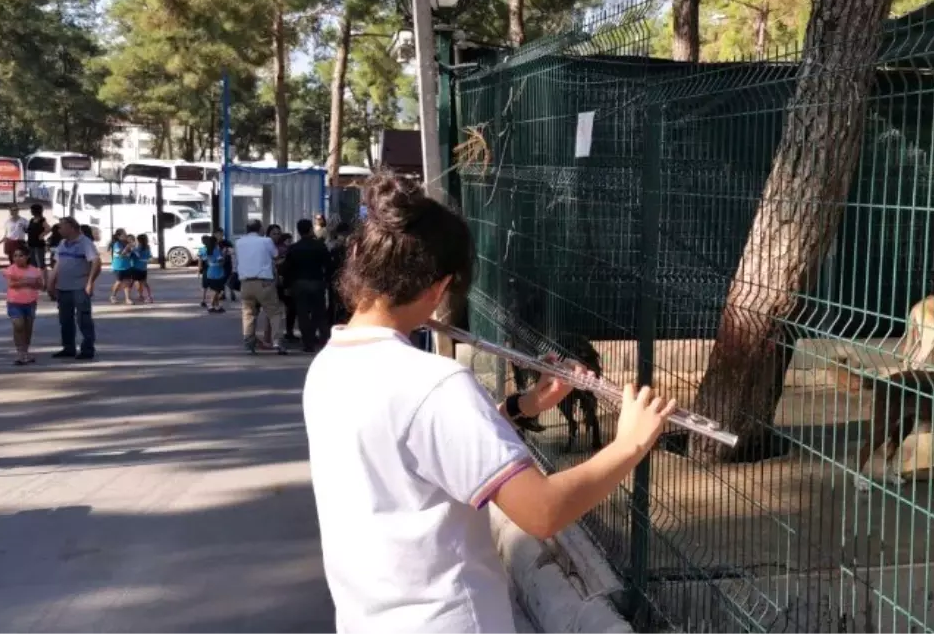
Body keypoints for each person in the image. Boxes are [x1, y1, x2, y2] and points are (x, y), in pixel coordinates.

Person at [302, 174, 677, 633]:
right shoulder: (434, 384)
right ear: (439, 288)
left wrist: (526, 406)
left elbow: (427, 453)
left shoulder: (329, 366)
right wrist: (629, 446)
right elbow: (541, 512)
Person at [48, 217, 101, 360]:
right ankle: (68, 347)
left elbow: (96, 262)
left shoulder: (85, 243)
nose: (59, 230)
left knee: (83, 318)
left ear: (71, 227)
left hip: (79, 287)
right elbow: (58, 264)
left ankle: (87, 348)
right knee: (65, 319)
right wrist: (51, 283)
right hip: (63, 287)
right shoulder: (63, 243)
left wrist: (90, 282)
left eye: (61, 227)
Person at [233, 219, 287, 355]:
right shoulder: (266, 241)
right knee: (274, 312)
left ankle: (249, 344)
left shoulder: (239, 242)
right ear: (260, 229)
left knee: (248, 314)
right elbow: (275, 255)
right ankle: (277, 342)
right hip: (264, 283)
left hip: (245, 283)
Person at [282, 219, 331, 353]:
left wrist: (287, 285)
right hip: (317, 282)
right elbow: (328, 264)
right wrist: (327, 280)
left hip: (299, 283)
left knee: (302, 314)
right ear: (310, 229)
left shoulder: (294, 248)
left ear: (298, 231)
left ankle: (308, 344)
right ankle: (322, 340)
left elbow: (287, 269)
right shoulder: (320, 246)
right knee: (319, 313)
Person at [4, 243, 44, 365]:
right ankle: (19, 352)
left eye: (21, 255)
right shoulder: (10, 270)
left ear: (27, 256)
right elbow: (11, 284)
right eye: (15, 256)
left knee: (28, 327)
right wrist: (28, 281)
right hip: (14, 302)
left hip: (30, 302)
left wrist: (23, 281)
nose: (17, 258)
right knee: (18, 325)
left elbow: (40, 285)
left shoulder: (34, 270)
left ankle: (25, 351)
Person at [197, 234, 228, 314]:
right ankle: (211, 305)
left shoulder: (207, 250)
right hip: (217, 271)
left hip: (210, 271)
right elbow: (221, 262)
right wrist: (224, 254)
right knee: (216, 290)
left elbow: (204, 260)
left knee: (214, 289)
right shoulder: (216, 250)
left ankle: (217, 306)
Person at [108, 229, 134, 305]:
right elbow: (121, 254)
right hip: (118, 266)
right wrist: (128, 247)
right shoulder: (117, 244)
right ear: (119, 236)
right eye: (124, 234)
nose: (126, 235)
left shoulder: (126, 243)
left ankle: (127, 298)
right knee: (119, 282)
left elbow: (131, 254)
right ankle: (113, 296)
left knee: (127, 282)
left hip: (127, 266)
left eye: (125, 233)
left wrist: (132, 247)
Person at [26, 203, 50, 272]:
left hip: (39, 243)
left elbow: (48, 229)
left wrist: (42, 235)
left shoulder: (42, 220)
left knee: (41, 263)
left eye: (32, 210)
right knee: (32, 262)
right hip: (31, 243)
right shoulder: (31, 220)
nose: (31, 212)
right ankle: (34, 277)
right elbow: (30, 230)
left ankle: (44, 279)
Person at [131, 234, 154, 303]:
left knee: (134, 282)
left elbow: (136, 255)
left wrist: (132, 249)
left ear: (139, 240)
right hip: (144, 268)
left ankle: (139, 296)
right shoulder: (147, 247)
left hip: (136, 268)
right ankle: (149, 296)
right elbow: (150, 257)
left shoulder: (138, 248)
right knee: (144, 283)